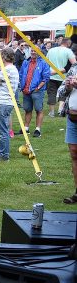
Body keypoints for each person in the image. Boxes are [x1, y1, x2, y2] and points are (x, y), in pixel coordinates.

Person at [18, 50, 50, 137]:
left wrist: (38, 87)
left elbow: (46, 77)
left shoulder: (43, 63)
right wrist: (22, 86)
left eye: (35, 51)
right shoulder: (26, 62)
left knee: (38, 110)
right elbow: (21, 74)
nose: (33, 52)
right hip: (26, 90)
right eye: (32, 51)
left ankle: (37, 130)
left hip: (37, 90)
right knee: (27, 109)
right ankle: (26, 128)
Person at [58, 67, 77, 203]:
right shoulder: (74, 70)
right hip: (73, 118)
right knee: (74, 154)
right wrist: (68, 87)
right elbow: (61, 92)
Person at [46, 38, 76, 116]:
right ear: (68, 44)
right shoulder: (68, 51)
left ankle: (52, 112)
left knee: (51, 93)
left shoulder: (51, 50)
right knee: (63, 93)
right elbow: (74, 64)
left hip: (51, 75)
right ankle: (60, 110)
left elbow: (46, 62)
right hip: (64, 76)